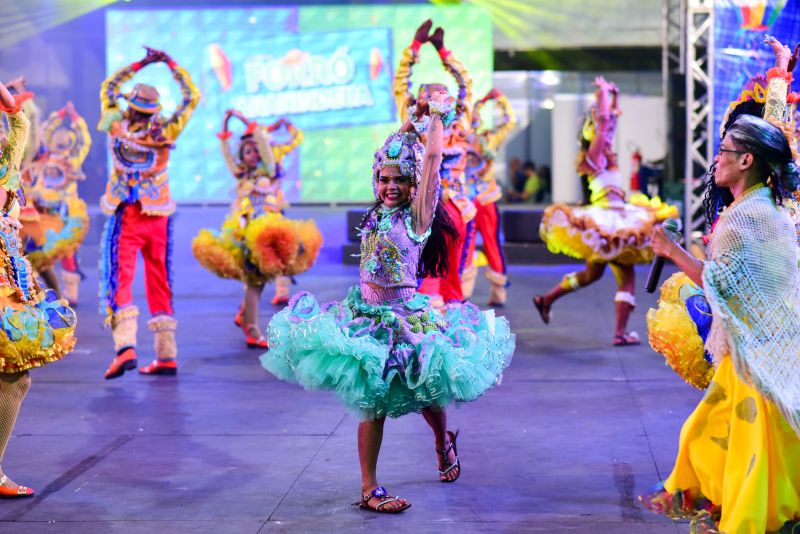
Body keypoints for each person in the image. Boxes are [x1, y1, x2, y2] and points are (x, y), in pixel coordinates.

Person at [260, 92, 514, 513]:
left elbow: (430, 161)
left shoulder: (417, 218)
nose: (391, 186)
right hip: (366, 318)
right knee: (371, 399)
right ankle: (369, 487)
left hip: (404, 318)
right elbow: (396, 153)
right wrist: (411, 122)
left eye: (401, 180)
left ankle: (441, 441)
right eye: (384, 179)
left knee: (428, 392)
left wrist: (435, 120)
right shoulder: (376, 212)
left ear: (416, 186)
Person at [640, 113, 800, 533]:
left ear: (746, 160)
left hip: (758, 359)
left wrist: (671, 250)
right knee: (706, 432)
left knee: (750, 447)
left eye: (724, 150)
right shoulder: (761, 210)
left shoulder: (746, 217)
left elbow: (721, 283)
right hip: (755, 349)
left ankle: (750, 517)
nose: (716, 159)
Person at [535, 76, 675, 346]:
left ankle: (546, 299)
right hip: (608, 220)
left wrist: (613, 96)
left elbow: (609, 124)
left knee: (592, 275)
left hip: (614, 216)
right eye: (600, 125)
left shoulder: (604, 153)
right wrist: (602, 93)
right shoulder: (594, 156)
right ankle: (620, 333)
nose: (608, 129)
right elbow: (602, 125)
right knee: (627, 277)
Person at [98, 46, 200, 379]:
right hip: (158, 216)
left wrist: (142, 62)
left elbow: (109, 87)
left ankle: (125, 347)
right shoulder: (165, 132)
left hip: (127, 213)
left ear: (130, 105)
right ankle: (166, 354)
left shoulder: (117, 126)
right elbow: (192, 97)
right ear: (154, 109)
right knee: (159, 279)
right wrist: (170, 63)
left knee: (120, 278)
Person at [0, 80, 77, 498]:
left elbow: (19, 127)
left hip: (10, 283)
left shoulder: (6, 166)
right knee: (13, 377)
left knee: (15, 377)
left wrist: (8, 99)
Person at [192, 110, 320, 348]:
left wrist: (248, 124)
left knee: (261, 278)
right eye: (247, 151)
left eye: (256, 150)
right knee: (254, 280)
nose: (252, 154)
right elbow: (228, 157)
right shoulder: (242, 175)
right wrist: (224, 135)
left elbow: (263, 145)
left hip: (270, 230)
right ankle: (251, 327)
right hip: (246, 231)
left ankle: (245, 316)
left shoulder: (269, 170)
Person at [393, 19, 474, 306]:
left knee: (453, 274)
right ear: (422, 100)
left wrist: (443, 52)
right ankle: (420, 313)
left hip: (457, 206)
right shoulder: (415, 122)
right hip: (420, 205)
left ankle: (452, 312)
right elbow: (401, 82)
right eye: (432, 95)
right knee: (419, 270)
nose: (440, 98)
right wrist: (414, 47)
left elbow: (466, 83)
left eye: (445, 95)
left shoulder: (460, 124)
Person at [22, 102, 91, 306]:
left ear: (70, 141)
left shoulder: (73, 158)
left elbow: (85, 140)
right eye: (57, 138)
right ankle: (34, 291)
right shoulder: (45, 157)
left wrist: (76, 118)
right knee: (36, 254)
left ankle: (69, 292)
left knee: (66, 253)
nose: (60, 141)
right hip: (42, 211)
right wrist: (61, 113)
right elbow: (46, 129)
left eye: (64, 139)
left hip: (64, 212)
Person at [461, 88, 515, 305]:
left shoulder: (489, 138)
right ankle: (463, 292)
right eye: (471, 113)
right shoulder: (460, 137)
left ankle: (498, 292)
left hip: (485, 198)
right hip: (466, 199)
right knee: (466, 244)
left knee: (491, 243)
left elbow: (509, 121)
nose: (475, 117)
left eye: (477, 113)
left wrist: (499, 99)